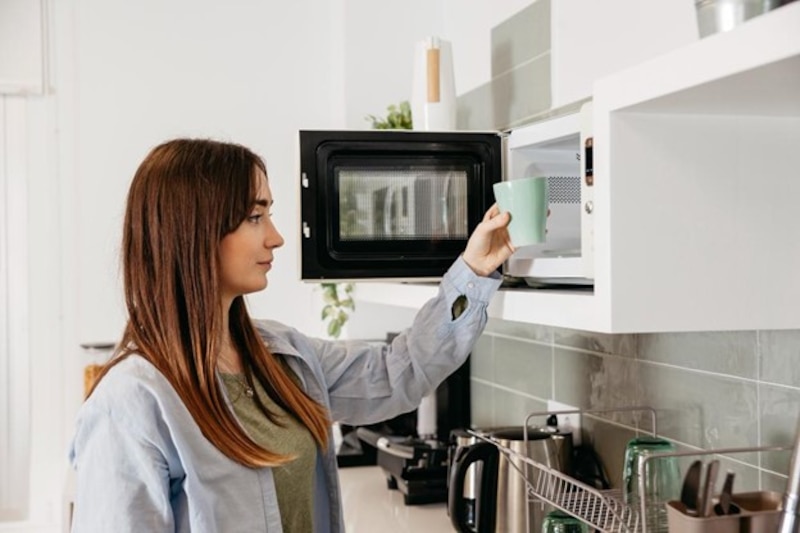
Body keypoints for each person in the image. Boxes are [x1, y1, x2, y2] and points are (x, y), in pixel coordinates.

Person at [69, 138, 514, 532]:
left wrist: (472, 272)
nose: (278, 237)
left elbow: (400, 373)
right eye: (254, 216)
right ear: (195, 230)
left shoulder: (282, 355)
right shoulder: (130, 405)